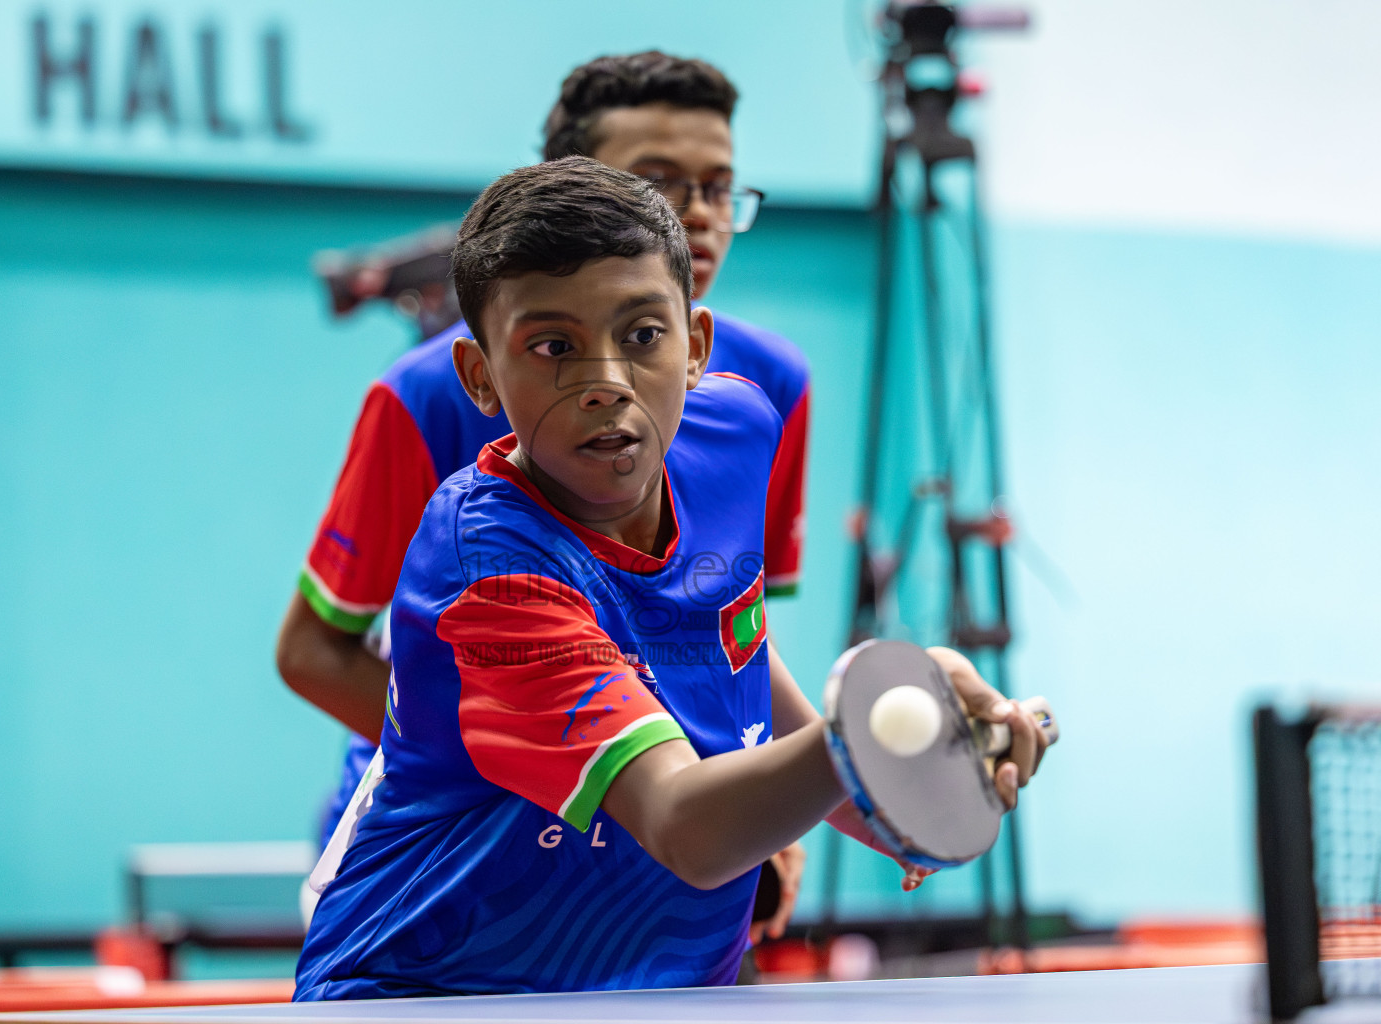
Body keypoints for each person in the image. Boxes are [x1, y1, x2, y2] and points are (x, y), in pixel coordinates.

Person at [294, 158, 1045, 1000]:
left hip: (665, 992)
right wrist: (861, 738)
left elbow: (737, 653)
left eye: (643, 335)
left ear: (695, 348)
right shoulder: (488, 568)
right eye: (552, 347)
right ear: (479, 379)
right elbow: (686, 826)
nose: (606, 382)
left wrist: (915, 782)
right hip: (437, 997)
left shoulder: (735, 433)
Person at [277, 52, 811, 940]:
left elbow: (732, 624)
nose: (698, 217)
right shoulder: (426, 398)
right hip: (453, 862)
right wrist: (532, 753)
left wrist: (775, 784)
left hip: (659, 809)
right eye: (659, 183)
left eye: (719, 187)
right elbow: (312, 651)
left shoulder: (766, 388)